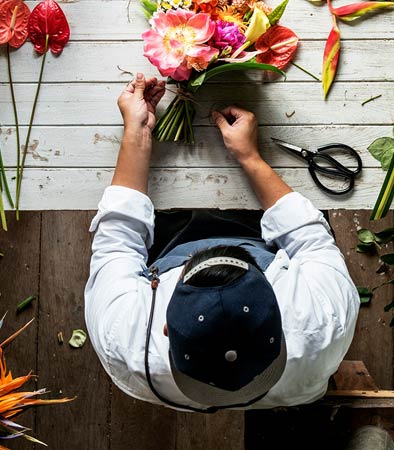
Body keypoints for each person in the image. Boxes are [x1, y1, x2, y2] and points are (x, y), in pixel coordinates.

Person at [84, 73, 360, 412]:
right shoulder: (323, 321)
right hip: (263, 243)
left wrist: (137, 133)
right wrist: (250, 157)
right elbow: (310, 237)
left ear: (168, 328)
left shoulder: (124, 340)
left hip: (170, 245)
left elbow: (118, 239)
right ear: (279, 309)